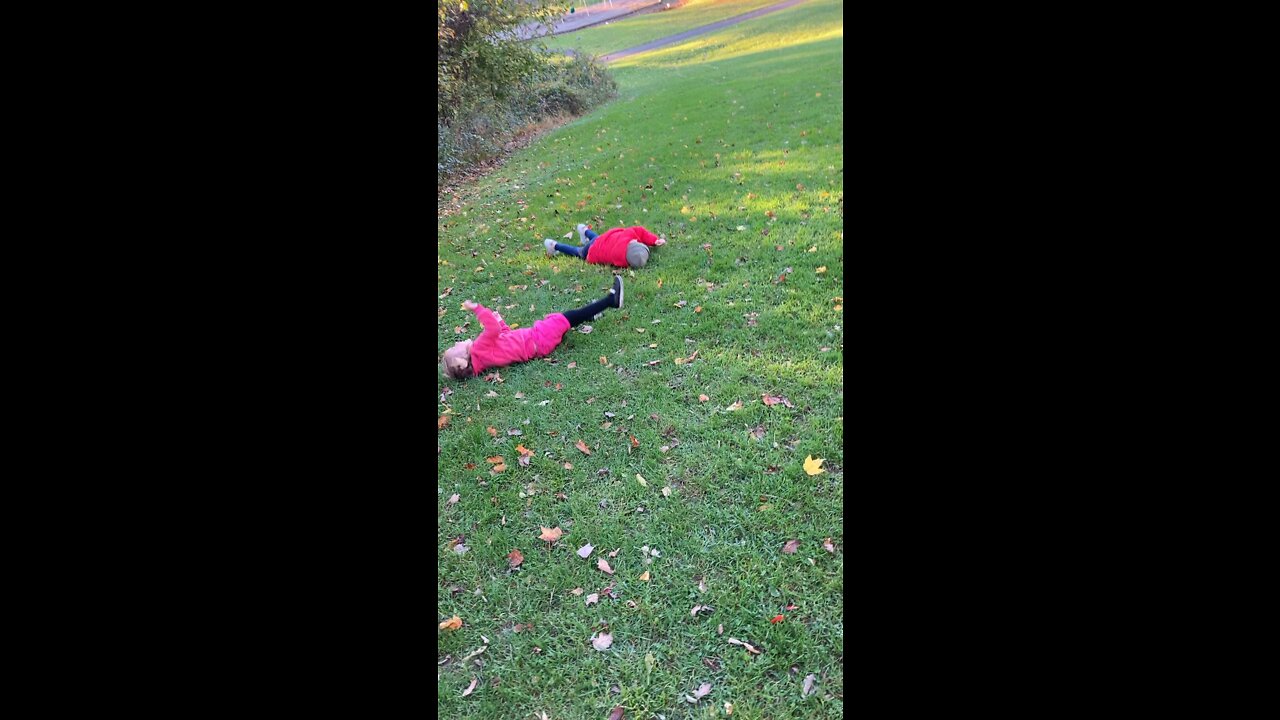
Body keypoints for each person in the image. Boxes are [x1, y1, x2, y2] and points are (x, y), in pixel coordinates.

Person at [441, 277, 624, 379]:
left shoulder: (483, 358)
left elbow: (503, 338)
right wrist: (478, 309)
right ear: (462, 362)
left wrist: (500, 321)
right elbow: (493, 332)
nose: (457, 342)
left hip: (538, 345)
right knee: (565, 318)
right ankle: (611, 300)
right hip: (537, 338)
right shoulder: (478, 349)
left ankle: (590, 314)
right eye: (454, 347)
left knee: (562, 320)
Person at [543, 223, 666, 269]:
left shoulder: (629, 235)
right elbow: (600, 257)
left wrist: (654, 240)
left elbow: (641, 231)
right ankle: (554, 245)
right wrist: (589, 258)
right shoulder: (618, 258)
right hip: (595, 248)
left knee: (595, 238)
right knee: (579, 251)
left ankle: (584, 229)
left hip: (602, 239)